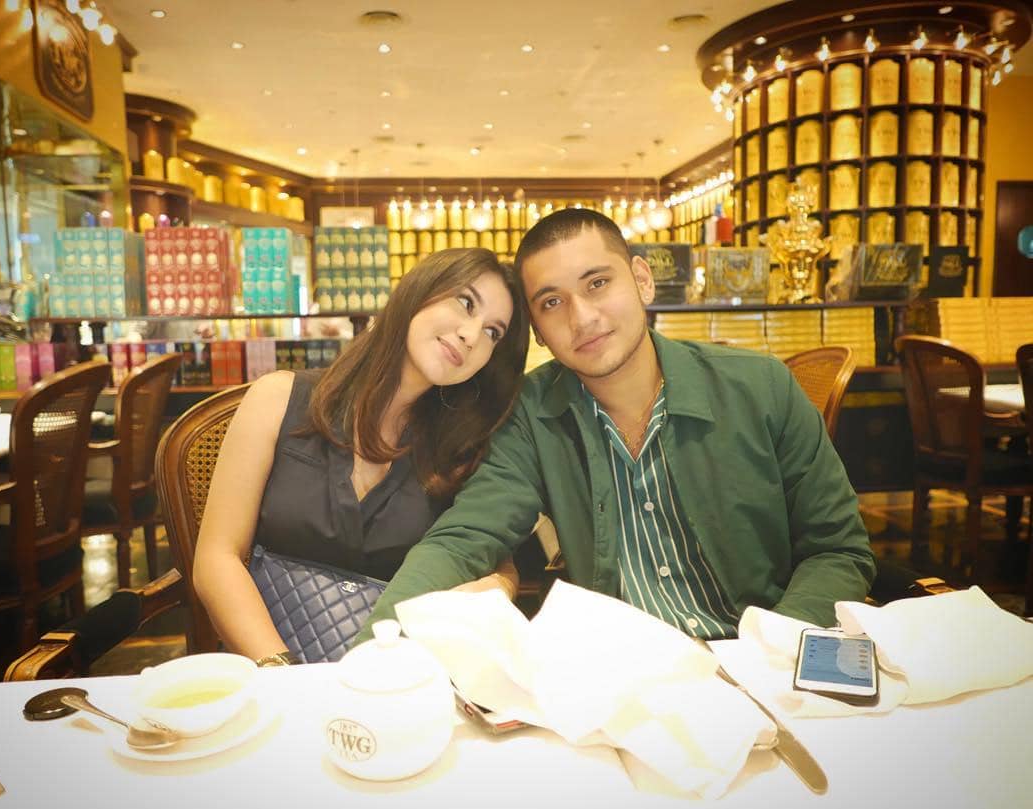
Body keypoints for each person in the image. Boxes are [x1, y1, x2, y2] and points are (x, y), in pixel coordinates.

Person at [360, 209, 875, 641]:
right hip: (618, 678)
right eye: (552, 302)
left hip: (757, 658)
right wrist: (374, 653)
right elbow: (465, 538)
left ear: (642, 280)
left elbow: (837, 548)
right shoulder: (530, 416)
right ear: (537, 330)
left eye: (598, 283)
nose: (582, 317)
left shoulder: (760, 386)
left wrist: (774, 650)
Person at [193, 247, 530, 665]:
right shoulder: (278, 399)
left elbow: (493, 558)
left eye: (494, 332)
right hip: (269, 669)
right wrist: (281, 672)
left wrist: (500, 586)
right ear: (419, 289)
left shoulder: (465, 448)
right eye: (465, 302)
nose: (471, 335)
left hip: (394, 675)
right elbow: (217, 556)